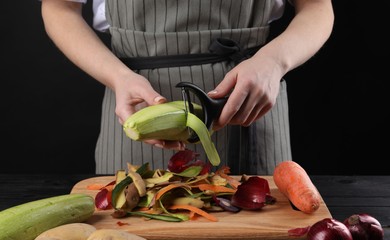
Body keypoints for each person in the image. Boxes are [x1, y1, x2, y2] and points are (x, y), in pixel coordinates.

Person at [40, 0, 334, 175]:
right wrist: (118, 76)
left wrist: (273, 63)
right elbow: (59, 7)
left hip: (251, 106)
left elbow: (318, 7)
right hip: (138, 111)